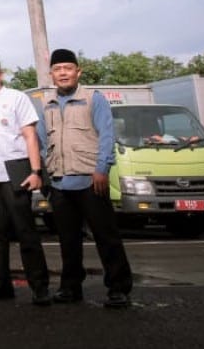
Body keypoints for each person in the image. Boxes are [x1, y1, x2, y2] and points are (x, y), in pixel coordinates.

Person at [39, 48, 133, 308]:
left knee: (106, 236)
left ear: (78, 72)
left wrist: (102, 169)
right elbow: (41, 141)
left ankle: (118, 288)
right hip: (59, 182)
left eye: (68, 68)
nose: (63, 73)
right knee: (68, 240)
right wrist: (46, 174)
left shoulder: (94, 99)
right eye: (58, 70)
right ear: (52, 74)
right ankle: (70, 287)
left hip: (91, 180)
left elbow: (106, 136)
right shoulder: (46, 104)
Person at [0, 51, 51, 305]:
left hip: (15, 174)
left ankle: (39, 286)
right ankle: (1, 284)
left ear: (0, 73)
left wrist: (36, 172)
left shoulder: (17, 98)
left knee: (25, 231)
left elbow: (30, 137)